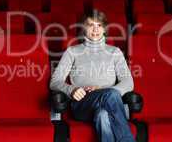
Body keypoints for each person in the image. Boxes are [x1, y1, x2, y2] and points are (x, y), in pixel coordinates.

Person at [50, 9, 135, 142]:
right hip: (82, 104)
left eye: (99, 25)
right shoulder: (72, 51)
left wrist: (108, 93)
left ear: (105, 29)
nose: (95, 30)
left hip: (109, 104)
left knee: (103, 116)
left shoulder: (114, 52)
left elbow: (128, 82)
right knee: (110, 96)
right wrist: (71, 90)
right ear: (84, 28)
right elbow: (55, 81)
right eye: (91, 25)